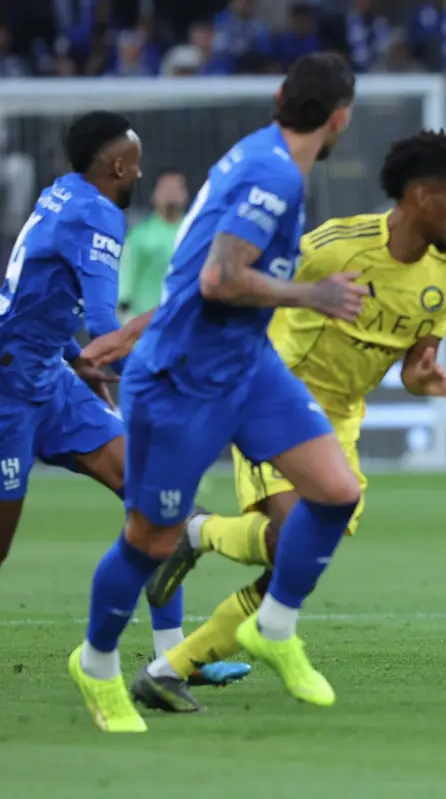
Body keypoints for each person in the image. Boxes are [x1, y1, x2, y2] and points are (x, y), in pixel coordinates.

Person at [69, 53, 366, 734]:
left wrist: (128, 331)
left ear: (282, 97)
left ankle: (274, 625)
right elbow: (218, 279)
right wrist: (311, 294)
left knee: (335, 490)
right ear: (340, 118)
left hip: (246, 366)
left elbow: (189, 276)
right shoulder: (270, 173)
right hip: (182, 381)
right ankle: (96, 661)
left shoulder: (257, 156)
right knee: (149, 539)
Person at [132, 130, 446, 713]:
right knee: (293, 540)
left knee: (296, 555)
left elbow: (419, 360)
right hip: (273, 396)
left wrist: (422, 378)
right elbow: (227, 282)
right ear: (420, 195)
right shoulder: (335, 246)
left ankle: (172, 651)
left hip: (339, 419)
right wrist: (126, 338)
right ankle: (208, 586)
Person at [0, 111, 248, 688]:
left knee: (154, 502)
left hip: (52, 378)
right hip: (4, 392)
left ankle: (171, 661)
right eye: (135, 162)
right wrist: (177, 315)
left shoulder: (61, 193)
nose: (141, 171)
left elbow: (48, 299)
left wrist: (73, 357)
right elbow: (108, 326)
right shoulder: (99, 214)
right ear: (116, 167)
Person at [117, 169, 189, 321]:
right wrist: (126, 314)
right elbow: (126, 276)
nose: (171, 194)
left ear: (185, 195)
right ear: (155, 196)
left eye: (176, 188)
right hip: (145, 325)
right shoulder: (140, 235)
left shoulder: (193, 232)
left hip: (184, 323)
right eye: (165, 189)